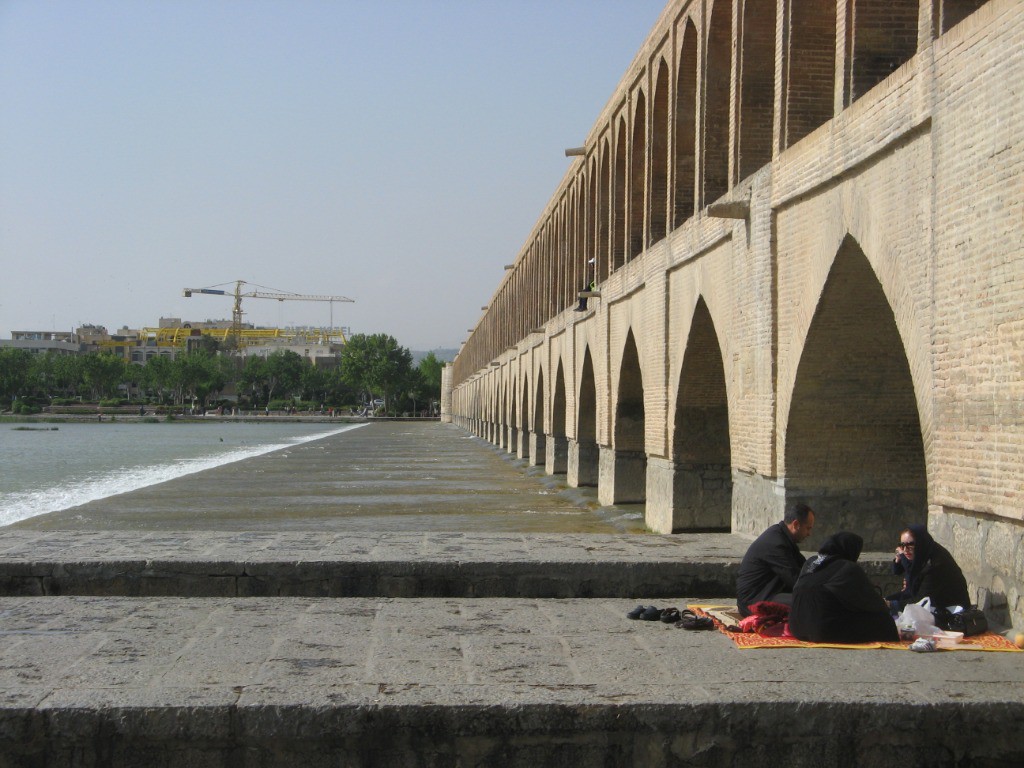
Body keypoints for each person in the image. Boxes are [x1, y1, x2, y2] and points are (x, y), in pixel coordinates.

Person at [789, 532, 898, 643]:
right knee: (884, 621)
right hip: (822, 630)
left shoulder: (811, 562)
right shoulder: (847, 567)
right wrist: (885, 605)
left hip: (796, 627)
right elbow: (869, 601)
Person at [735, 503, 815, 617]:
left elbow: (803, 566)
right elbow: (794, 579)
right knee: (809, 602)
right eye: (808, 528)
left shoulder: (782, 536)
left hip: (769, 593)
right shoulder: (776, 543)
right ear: (796, 524)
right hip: (754, 601)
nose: (809, 533)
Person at [887, 524, 970, 611]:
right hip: (930, 604)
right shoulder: (922, 553)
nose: (905, 549)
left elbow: (922, 600)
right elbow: (900, 570)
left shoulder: (935, 564)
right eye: (902, 545)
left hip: (949, 612)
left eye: (911, 544)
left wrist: (891, 605)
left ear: (920, 543)